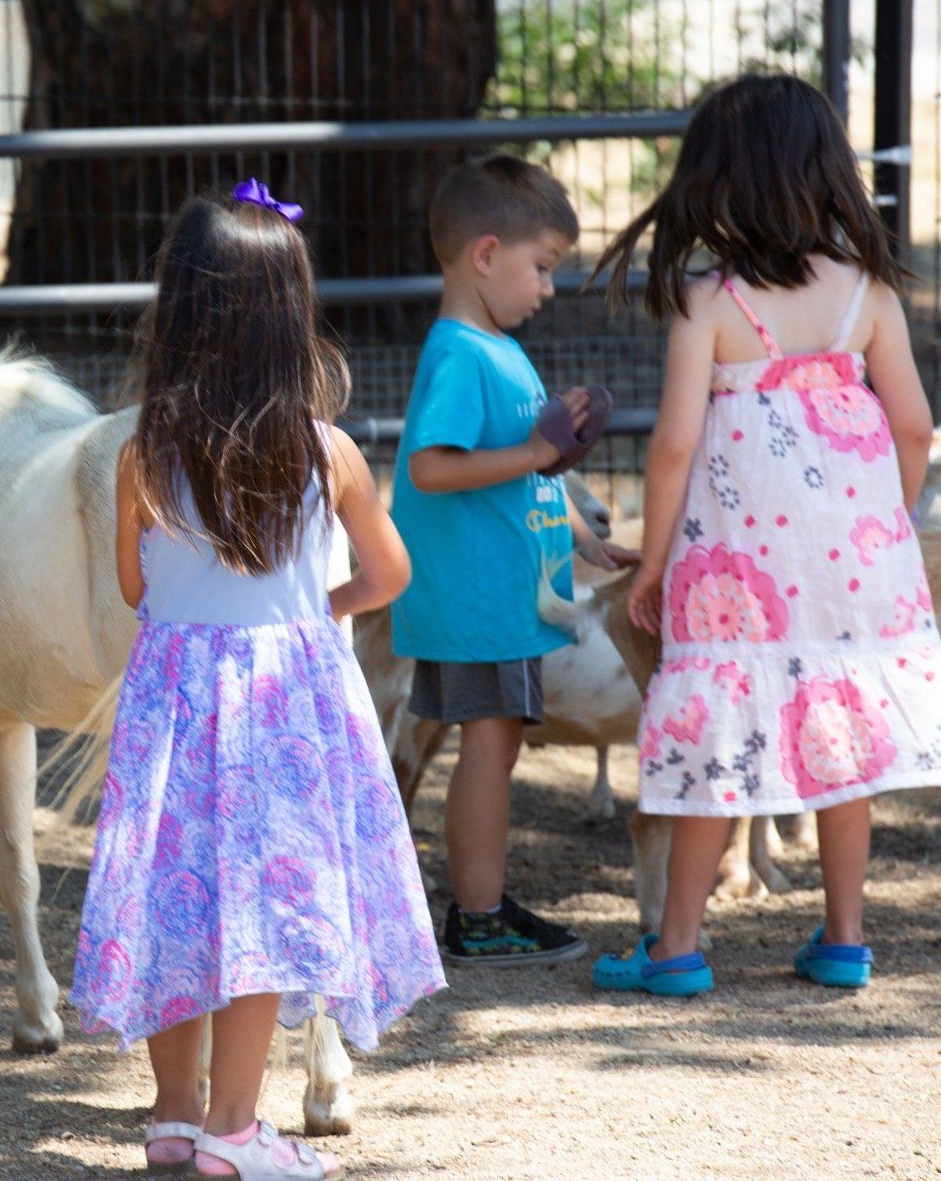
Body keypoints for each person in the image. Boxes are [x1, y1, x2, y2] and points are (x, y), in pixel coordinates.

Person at [72, 185, 444, 1181]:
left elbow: (134, 583)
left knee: (180, 901)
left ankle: (174, 1114)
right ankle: (235, 1129)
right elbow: (390, 573)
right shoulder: (329, 456)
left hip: (175, 703)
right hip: (282, 711)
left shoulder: (144, 454)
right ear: (292, 316)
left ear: (180, 312)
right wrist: (315, 610)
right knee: (257, 916)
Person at [588, 72, 940, 996]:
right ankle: (845, 939)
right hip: (853, 565)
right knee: (845, 733)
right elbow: (911, 426)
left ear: (721, 181)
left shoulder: (710, 300)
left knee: (719, 733)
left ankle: (675, 949)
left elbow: (671, 446)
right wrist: (887, 530)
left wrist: (654, 560)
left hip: (737, 568)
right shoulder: (867, 292)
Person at [391, 155, 637, 967]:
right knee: (488, 751)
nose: (547, 288)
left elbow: (531, 471)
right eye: (542, 267)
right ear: (485, 255)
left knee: (493, 747)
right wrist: (536, 448)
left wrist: (590, 543)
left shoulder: (496, 348)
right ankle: (478, 915)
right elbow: (432, 466)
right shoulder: (462, 354)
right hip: (477, 599)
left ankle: (482, 904)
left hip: (504, 597)